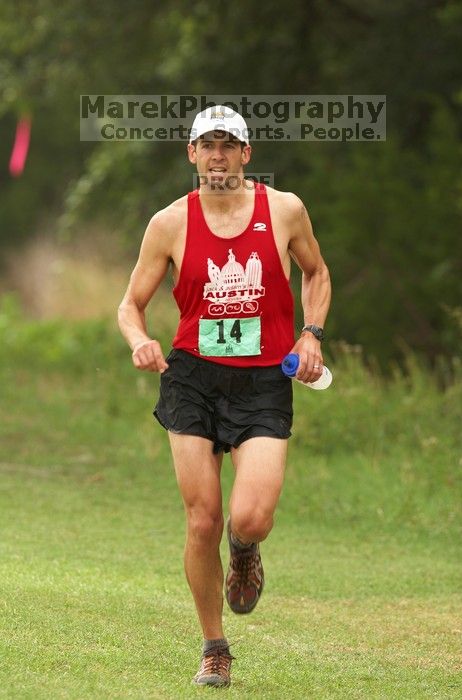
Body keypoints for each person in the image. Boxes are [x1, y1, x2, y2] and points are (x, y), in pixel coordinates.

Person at [118, 105, 331, 688]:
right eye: (206, 146)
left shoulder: (284, 210)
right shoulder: (169, 223)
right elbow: (130, 304)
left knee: (251, 517)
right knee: (201, 518)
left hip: (263, 379)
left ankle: (245, 550)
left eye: (227, 145)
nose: (217, 156)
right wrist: (140, 340)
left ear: (246, 154)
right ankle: (214, 646)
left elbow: (315, 272)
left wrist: (310, 333)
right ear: (191, 154)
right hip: (192, 378)